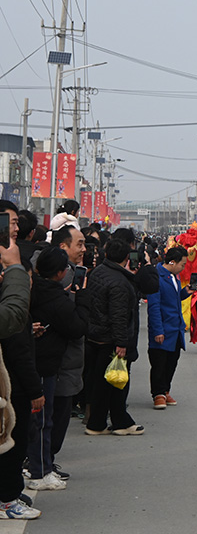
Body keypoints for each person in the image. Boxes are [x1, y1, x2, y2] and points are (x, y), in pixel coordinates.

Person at [26, 247, 89, 491]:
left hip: (36, 361)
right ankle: (39, 471)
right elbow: (77, 327)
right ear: (62, 273)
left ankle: (41, 466)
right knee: (42, 420)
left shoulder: (34, 291)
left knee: (39, 419)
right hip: (45, 364)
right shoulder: (56, 301)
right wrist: (81, 299)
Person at [84, 237, 143, 436]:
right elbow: (119, 316)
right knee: (115, 381)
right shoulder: (119, 282)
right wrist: (121, 343)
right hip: (110, 338)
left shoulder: (98, 272)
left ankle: (101, 422)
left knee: (102, 382)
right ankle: (114, 422)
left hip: (95, 334)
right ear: (127, 257)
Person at [0, 257, 43, 520]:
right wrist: (36, 391)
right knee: (12, 446)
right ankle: (8, 500)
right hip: (13, 390)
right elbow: (20, 355)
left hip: (11, 386)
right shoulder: (12, 314)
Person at [146, 246, 192, 410]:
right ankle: (157, 393)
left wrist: (185, 292)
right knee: (159, 362)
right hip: (163, 327)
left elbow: (173, 298)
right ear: (172, 262)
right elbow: (154, 306)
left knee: (172, 361)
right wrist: (157, 330)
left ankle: (166, 389)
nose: (183, 267)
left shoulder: (174, 277)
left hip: (175, 328)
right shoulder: (156, 277)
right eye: (182, 264)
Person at [0, 201, 29, 340]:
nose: (17, 228)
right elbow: (14, 315)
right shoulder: (13, 260)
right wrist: (14, 266)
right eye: (13, 223)